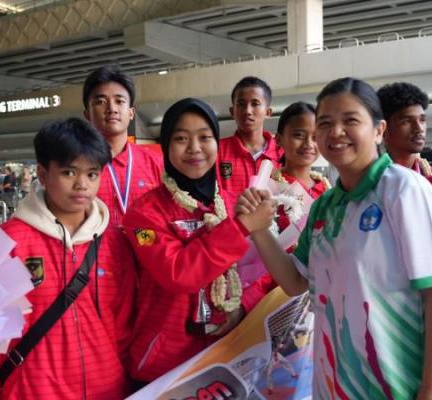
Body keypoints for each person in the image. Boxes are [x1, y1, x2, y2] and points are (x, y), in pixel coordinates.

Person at [239, 77, 432, 399]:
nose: (335, 132)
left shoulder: (404, 189)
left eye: (350, 120)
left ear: (379, 130)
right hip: (332, 383)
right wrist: (258, 229)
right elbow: (296, 281)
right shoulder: (326, 203)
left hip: (393, 385)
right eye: (325, 123)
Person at [0, 118, 137, 399]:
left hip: (108, 389)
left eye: (92, 174)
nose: (82, 185)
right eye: (69, 172)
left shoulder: (114, 242)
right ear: (43, 174)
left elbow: (125, 330)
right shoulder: (7, 243)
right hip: (33, 392)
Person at [122, 98, 270, 383]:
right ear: (165, 146)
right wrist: (239, 229)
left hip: (224, 356)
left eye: (205, 137)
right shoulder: (143, 216)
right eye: (181, 139)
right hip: (162, 366)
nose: (194, 148)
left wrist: (240, 308)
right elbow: (177, 273)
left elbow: (262, 274)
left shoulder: (232, 204)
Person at [377, 81, 432, 301]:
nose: (419, 128)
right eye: (407, 120)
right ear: (383, 129)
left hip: (429, 299)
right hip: (380, 302)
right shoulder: (366, 182)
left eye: (422, 119)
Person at [242, 102, 330, 313]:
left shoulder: (327, 192)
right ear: (279, 140)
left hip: (318, 299)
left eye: (315, 136)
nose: (309, 144)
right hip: (270, 297)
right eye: (299, 135)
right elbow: (253, 255)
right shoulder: (265, 190)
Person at [82, 65, 163, 227]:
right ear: (87, 115)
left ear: (131, 112)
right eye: (101, 102)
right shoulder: (76, 166)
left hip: (145, 251)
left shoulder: (156, 162)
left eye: (119, 101)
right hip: (93, 252)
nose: (112, 109)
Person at [218, 76, 282, 194]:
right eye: (241, 104)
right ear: (232, 111)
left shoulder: (282, 153)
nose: (247, 111)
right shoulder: (217, 152)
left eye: (255, 103)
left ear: (268, 112)